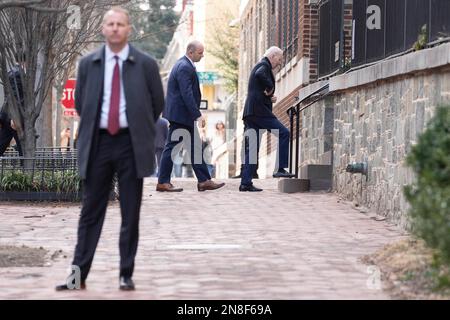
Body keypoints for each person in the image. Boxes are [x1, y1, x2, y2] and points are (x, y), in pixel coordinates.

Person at [55, 6, 165, 291]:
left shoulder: (146, 65)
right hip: (99, 143)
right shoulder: (88, 64)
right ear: (103, 29)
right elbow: (81, 103)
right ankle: (77, 276)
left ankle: (125, 274)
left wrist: (138, 127)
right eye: (110, 24)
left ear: (129, 29)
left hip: (131, 144)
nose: (115, 28)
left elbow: (157, 104)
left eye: (120, 24)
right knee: (91, 211)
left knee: (131, 212)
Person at [156, 41, 225, 192]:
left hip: (182, 115)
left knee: (194, 148)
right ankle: (162, 182)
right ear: (190, 52)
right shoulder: (184, 67)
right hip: (181, 115)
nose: (202, 55)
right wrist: (197, 114)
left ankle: (204, 180)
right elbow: (186, 93)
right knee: (171, 148)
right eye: (200, 53)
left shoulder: (185, 65)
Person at [239, 46, 294, 192]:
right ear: (273, 56)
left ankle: (245, 183)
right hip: (259, 112)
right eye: (280, 59)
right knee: (284, 133)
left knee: (252, 148)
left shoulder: (261, 64)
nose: (280, 62)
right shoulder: (264, 66)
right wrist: (270, 88)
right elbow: (260, 75)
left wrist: (269, 96)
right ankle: (280, 168)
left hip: (251, 113)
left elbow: (258, 87)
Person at [0, 58, 25, 157]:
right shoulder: (18, 74)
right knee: (23, 146)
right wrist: (13, 118)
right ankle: (27, 171)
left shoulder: (12, 72)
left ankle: (26, 169)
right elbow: (14, 97)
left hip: (9, 115)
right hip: (13, 117)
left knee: (4, 141)